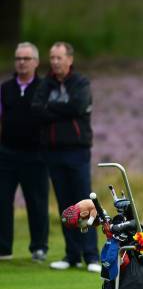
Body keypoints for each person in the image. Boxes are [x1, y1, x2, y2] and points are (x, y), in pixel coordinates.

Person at [31, 42, 100, 273]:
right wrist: (61, 108)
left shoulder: (80, 83)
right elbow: (37, 110)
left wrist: (52, 109)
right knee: (65, 204)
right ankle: (71, 254)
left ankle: (91, 255)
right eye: (52, 57)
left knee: (85, 203)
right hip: (53, 151)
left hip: (77, 150)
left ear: (69, 59)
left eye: (59, 57)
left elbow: (77, 106)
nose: (55, 62)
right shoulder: (45, 84)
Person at [0, 42, 49, 262]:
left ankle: (39, 247)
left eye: (26, 59)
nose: (21, 62)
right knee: (2, 200)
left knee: (36, 201)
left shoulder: (44, 87)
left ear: (36, 62)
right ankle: (4, 249)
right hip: (7, 153)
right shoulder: (6, 88)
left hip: (35, 155)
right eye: (18, 58)